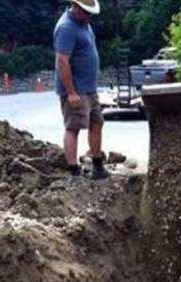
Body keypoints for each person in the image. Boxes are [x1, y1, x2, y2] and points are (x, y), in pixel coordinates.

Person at [54, 0, 109, 180]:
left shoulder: (84, 23)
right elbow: (62, 61)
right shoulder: (66, 28)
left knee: (97, 122)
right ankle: (73, 170)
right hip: (76, 89)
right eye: (86, 12)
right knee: (73, 127)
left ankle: (97, 165)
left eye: (90, 13)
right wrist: (71, 92)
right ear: (76, 8)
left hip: (89, 88)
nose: (89, 16)